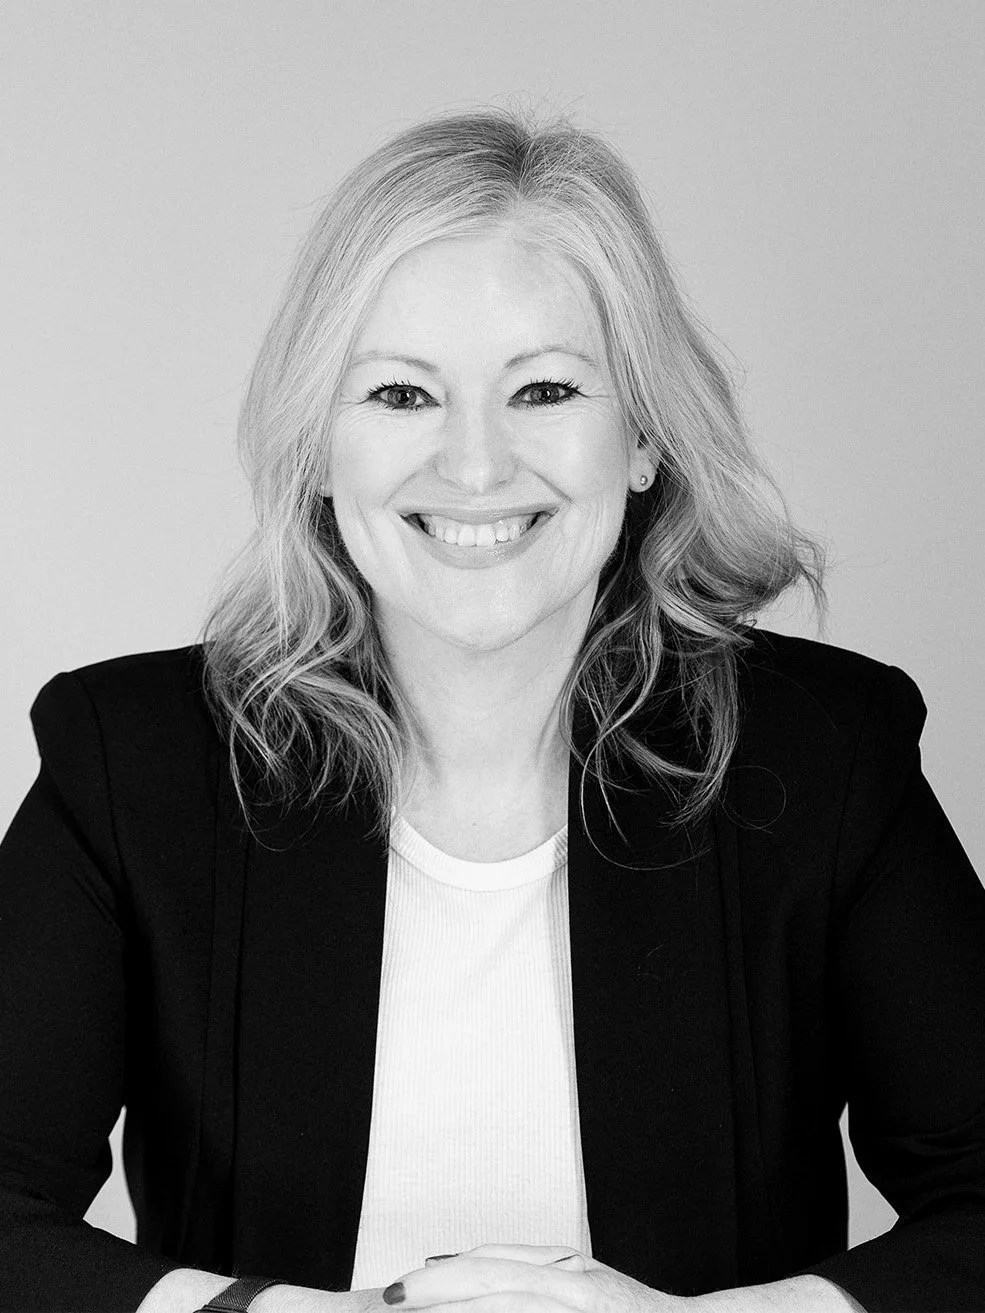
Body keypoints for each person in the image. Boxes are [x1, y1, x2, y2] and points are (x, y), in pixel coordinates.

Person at [1, 105, 983, 1313]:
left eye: (546, 389)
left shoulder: (825, 752)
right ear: (318, 445)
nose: (474, 466)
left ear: (641, 438)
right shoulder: (129, 762)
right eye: (404, 395)